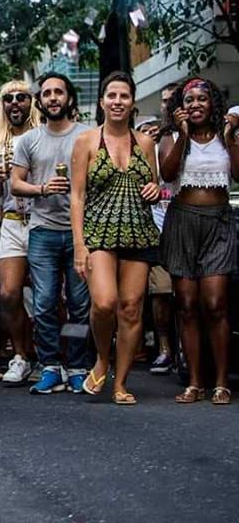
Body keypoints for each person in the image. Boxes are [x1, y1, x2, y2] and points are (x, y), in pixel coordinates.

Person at [70, 72, 161, 404]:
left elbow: (153, 186)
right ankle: (102, 359)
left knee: (132, 308)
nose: (118, 101)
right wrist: (79, 245)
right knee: (105, 303)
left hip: (138, 233)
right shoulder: (86, 142)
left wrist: (155, 190)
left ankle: (121, 382)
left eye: (124, 96)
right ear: (102, 101)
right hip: (99, 234)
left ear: (132, 102)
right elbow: (76, 196)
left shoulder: (146, 143)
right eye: (112, 95)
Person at [158, 76, 239, 405]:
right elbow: (167, 174)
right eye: (188, 101)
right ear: (181, 107)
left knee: (216, 304)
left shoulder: (226, 135)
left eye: (201, 99)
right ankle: (194, 381)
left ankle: (221, 381)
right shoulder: (172, 136)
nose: (195, 105)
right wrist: (184, 137)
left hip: (218, 223)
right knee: (187, 306)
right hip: (182, 222)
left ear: (212, 103)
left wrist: (232, 136)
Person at [10, 72, 91, 395]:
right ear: (40, 101)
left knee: (78, 304)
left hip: (80, 232)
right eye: (47, 93)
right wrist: (42, 188)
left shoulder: (88, 135)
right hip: (42, 231)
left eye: (59, 92)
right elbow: (15, 183)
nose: (53, 97)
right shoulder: (29, 140)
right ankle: (49, 366)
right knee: (43, 303)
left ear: (69, 98)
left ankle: (77, 366)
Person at [0, 80, 41, 386]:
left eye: (22, 97)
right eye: (9, 98)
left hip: (42, 220)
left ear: (31, 102)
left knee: (48, 296)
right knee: (8, 293)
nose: (15, 103)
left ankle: (49, 357)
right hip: (10, 221)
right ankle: (21, 355)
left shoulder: (42, 138)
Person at [137, 81, 179, 374]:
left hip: (187, 226)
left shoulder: (184, 138)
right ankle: (164, 348)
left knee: (191, 297)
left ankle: (187, 350)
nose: (166, 105)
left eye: (171, 100)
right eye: (163, 101)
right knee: (162, 292)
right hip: (157, 229)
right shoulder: (147, 142)